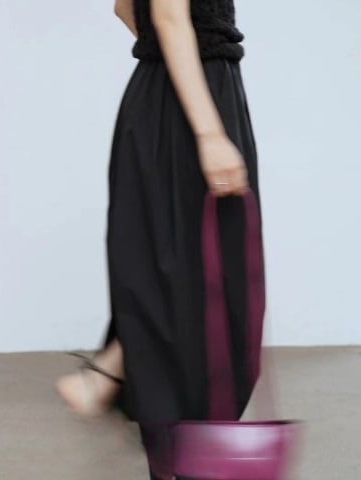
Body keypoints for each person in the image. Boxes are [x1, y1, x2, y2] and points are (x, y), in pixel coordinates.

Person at [56, 0, 265, 477]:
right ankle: (120, 384)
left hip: (183, 93)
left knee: (189, 268)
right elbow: (169, 18)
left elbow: (125, 7)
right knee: (206, 280)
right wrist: (209, 133)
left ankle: (114, 374)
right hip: (193, 103)